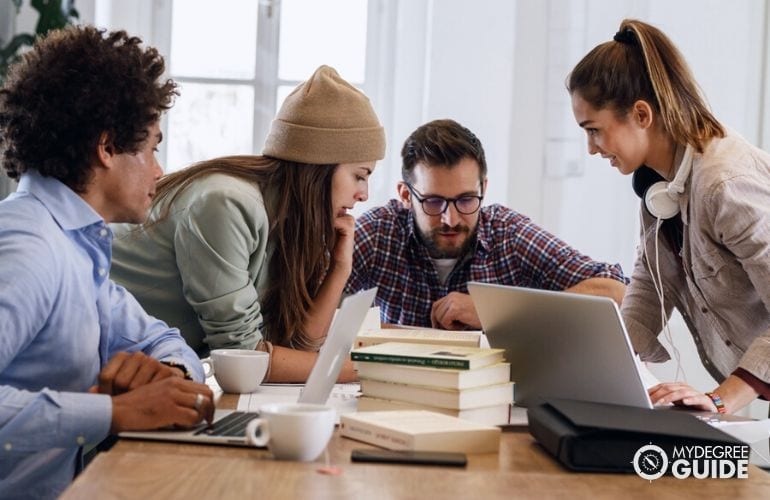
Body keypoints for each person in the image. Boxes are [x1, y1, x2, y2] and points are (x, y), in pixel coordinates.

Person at [0, 26, 214, 497]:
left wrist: (169, 375)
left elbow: (161, 338)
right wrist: (117, 414)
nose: (160, 170)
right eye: (153, 146)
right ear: (107, 147)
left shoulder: (75, 243)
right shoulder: (31, 247)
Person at [111, 65, 385, 383]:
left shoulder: (284, 222)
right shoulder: (227, 203)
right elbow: (242, 356)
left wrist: (340, 267)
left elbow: (295, 346)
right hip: (97, 366)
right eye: (360, 175)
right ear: (319, 167)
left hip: (146, 374)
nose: (363, 194)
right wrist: (372, 370)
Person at [568, 19, 770, 414]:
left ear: (641, 114)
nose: (591, 148)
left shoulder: (724, 185)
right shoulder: (657, 186)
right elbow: (650, 282)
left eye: (594, 130)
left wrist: (718, 400)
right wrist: (608, 372)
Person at [344, 119, 627, 329]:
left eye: (466, 200)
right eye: (433, 202)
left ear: (484, 189)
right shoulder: (380, 232)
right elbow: (307, 313)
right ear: (406, 195)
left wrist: (495, 312)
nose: (451, 220)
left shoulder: (509, 235)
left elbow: (616, 292)